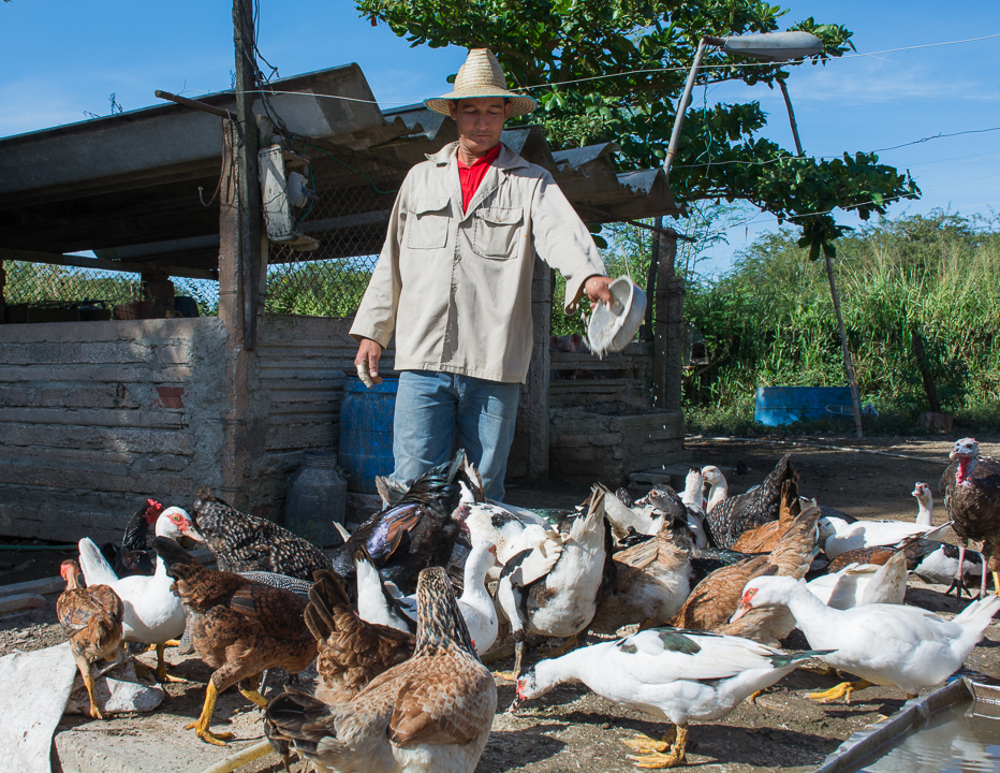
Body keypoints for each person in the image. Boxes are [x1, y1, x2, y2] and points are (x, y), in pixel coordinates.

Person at [350, 48, 613, 501]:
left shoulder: (530, 181)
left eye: (492, 111)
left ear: (507, 113)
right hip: (423, 357)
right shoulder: (420, 179)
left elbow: (560, 232)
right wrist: (373, 332)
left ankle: (479, 551)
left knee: (484, 491)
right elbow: (391, 258)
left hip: (493, 359)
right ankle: (415, 551)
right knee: (412, 486)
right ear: (454, 113)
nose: (481, 122)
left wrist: (589, 275)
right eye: (471, 110)